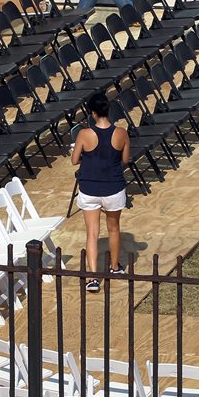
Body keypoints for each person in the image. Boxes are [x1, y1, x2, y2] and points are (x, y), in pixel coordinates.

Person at [70, 92, 131, 293]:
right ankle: (114, 267)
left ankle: (93, 277)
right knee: (113, 228)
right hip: (113, 187)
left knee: (92, 233)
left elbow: (74, 160)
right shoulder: (121, 132)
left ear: (93, 113)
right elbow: (125, 159)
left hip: (89, 188)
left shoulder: (84, 134)